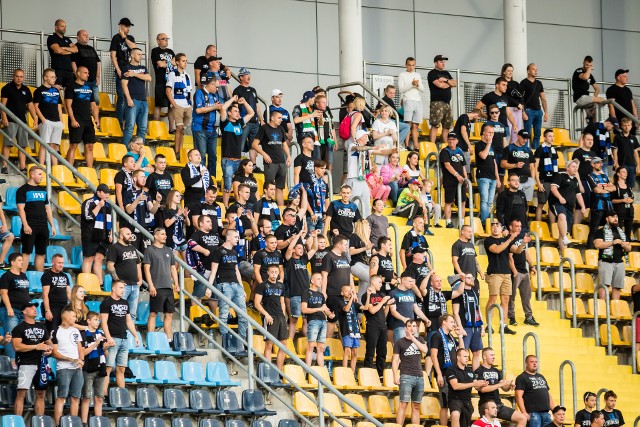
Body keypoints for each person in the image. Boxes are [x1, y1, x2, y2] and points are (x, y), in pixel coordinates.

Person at [12, 301, 52, 416]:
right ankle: (18, 422)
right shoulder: (19, 328)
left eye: (35, 307)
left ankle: (40, 421)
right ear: (24, 311)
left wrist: (49, 349)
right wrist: (36, 346)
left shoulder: (42, 327)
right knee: (21, 394)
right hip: (26, 363)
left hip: (41, 364)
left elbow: (50, 343)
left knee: (41, 394)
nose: (34, 309)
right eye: (30, 307)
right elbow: (17, 346)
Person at [100, 280, 139, 396]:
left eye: (123, 288)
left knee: (121, 368)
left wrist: (135, 335)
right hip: (113, 339)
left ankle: (122, 396)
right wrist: (108, 338)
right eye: (120, 288)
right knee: (108, 369)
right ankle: (103, 394)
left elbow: (128, 321)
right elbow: (104, 322)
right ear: (113, 288)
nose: (123, 290)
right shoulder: (106, 303)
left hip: (124, 339)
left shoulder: (125, 303)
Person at [209, 230, 248, 342]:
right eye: (235, 237)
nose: (237, 239)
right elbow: (214, 271)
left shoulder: (234, 252)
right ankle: (225, 341)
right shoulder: (219, 251)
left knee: (243, 316)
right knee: (224, 314)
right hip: (224, 285)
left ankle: (241, 342)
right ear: (228, 238)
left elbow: (237, 271)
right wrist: (209, 287)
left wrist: (242, 288)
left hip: (236, 285)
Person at [484, 220, 520, 335]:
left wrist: (523, 243)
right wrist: (509, 239)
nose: (495, 228)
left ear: (501, 228)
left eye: (497, 226)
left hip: (506, 273)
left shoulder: (505, 240)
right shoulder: (488, 240)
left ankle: (503, 325)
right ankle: (489, 325)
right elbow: (497, 250)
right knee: (493, 298)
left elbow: (517, 251)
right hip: (494, 273)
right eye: (493, 226)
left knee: (505, 300)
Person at [476, 347, 526, 427]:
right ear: (484, 357)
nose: (494, 357)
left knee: (522, 418)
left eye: (494, 355)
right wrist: (499, 384)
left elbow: (504, 388)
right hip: (486, 405)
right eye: (491, 355)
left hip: (498, 404)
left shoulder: (496, 371)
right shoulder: (479, 371)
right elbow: (483, 389)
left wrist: (509, 386)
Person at [17, 167, 55, 272]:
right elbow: (21, 209)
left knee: (41, 253)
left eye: (42, 174)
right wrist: (25, 225)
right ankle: (22, 277)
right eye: (39, 174)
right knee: (26, 252)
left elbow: (48, 209)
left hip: (43, 226)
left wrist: (52, 225)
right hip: (30, 225)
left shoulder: (43, 191)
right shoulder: (22, 190)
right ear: (32, 175)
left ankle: (40, 278)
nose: (42, 177)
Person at [144, 228, 180, 337]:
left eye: (165, 234)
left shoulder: (168, 250)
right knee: (153, 313)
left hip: (168, 287)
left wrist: (176, 284)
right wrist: (150, 285)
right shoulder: (149, 250)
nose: (165, 236)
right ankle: (150, 338)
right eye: (162, 234)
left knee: (169, 314)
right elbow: (146, 269)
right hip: (157, 287)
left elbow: (173, 268)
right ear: (155, 236)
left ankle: (168, 339)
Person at [51, 306, 84, 425]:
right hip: (64, 368)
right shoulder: (56, 331)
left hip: (77, 368)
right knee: (62, 397)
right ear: (66, 317)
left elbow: (80, 348)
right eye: (74, 316)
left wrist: (81, 360)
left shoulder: (75, 331)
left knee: (76, 398)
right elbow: (54, 353)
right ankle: (58, 424)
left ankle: (73, 423)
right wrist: (70, 359)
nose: (75, 318)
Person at [1, 68, 38, 173]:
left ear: (23, 78)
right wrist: (4, 118)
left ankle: (23, 167)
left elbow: (30, 106)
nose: (19, 79)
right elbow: (2, 106)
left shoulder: (26, 90)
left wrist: (35, 118)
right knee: (8, 144)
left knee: (22, 146)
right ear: (13, 76)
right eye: (17, 76)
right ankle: (4, 166)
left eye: (21, 77)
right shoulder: (7, 88)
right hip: (10, 120)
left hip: (22, 121)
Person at [392, 319, 428, 426]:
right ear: (405, 328)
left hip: (419, 376)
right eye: (409, 326)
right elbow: (395, 360)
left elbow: (425, 350)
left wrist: (413, 338)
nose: (412, 328)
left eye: (414, 326)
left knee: (416, 406)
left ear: (416, 328)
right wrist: (395, 375)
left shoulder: (420, 339)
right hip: (406, 376)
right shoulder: (400, 342)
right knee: (403, 404)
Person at [252, 110, 292, 206]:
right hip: (270, 162)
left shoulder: (281, 129)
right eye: (279, 118)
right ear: (272, 118)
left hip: (281, 161)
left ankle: (281, 210)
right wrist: (264, 154)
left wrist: (288, 156)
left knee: (280, 188)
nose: (281, 120)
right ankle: (266, 207)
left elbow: (284, 144)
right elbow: (254, 144)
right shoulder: (264, 128)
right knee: (269, 187)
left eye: (281, 118)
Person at [222, 97, 255, 207]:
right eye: (235, 111)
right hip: (228, 160)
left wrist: (245, 102)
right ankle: (226, 206)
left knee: (240, 183)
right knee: (227, 184)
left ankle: (240, 203)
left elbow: (251, 113)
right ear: (229, 113)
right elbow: (223, 108)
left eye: (238, 111)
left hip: (238, 160)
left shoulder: (240, 123)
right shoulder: (225, 123)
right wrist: (232, 100)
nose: (238, 113)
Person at [430, 314, 462, 426]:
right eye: (452, 321)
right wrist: (438, 374)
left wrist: (460, 336)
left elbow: (461, 351)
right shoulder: (436, 335)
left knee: (454, 403)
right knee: (445, 404)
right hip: (443, 373)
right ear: (444, 322)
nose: (454, 324)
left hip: (454, 374)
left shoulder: (452, 337)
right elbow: (433, 355)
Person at [320, 234, 354, 339]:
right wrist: (323, 292)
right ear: (339, 245)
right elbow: (324, 275)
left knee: (344, 322)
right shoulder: (328, 256)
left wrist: (353, 291)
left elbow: (349, 275)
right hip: (333, 293)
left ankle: (343, 346)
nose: (346, 247)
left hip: (346, 295)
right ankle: (328, 346)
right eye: (345, 244)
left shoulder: (344, 257)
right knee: (332, 320)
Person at [105, 227, 142, 321]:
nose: (130, 236)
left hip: (135, 285)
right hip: (123, 286)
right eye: (128, 234)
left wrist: (140, 280)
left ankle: (129, 335)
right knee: (119, 313)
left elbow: (138, 265)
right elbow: (110, 266)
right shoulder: (114, 247)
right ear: (121, 236)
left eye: (131, 234)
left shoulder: (132, 248)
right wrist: (118, 281)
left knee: (132, 314)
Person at [65, 66, 99, 168]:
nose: (87, 75)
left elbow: (93, 105)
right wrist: (72, 119)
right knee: (74, 145)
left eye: (88, 73)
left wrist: (96, 118)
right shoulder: (71, 87)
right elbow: (68, 105)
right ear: (78, 73)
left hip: (88, 120)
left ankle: (90, 171)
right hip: (77, 119)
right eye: (85, 73)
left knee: (90, 146)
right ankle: (69, 170)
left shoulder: (89, 88)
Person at [549, 160, 587, 251]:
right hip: (557, 203)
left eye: (576, 167)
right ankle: (565, 238)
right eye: (573, 166)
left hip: (570, 207)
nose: (575, 168)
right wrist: (560, 197)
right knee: (561, 216)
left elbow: (578, 195)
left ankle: (563, 252)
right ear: (567, 168)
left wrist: (583, 206)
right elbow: (553, 188)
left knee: (563, 231)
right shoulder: (560, 175)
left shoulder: (575, 180)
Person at [0, 253, 31, 365]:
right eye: (19, 260)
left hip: (23, 311)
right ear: (12, 262)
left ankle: (22, 361)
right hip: (11, 310)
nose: (22, 262)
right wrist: (9, 308)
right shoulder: (6, 276)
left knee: (22, 336)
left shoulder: (23, 275)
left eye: (22, 260)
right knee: (11, 336)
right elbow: (3, 293)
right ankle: (12, 362)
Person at [507, 219, 539, 327]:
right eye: (517, 226)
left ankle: (528, 317)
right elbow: (510, 256)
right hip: (514, 272)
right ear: (511, 227)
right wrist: (514, 271)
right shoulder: (508, 239)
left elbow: (525, 252)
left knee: (526, 296)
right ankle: (511, 317)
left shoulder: (521, 237)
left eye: (520, 226)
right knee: (511, 296)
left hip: (524, 271)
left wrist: (532, 266)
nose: (519, 228)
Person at [594, 211, 631, 301]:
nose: (615, 219)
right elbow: (598, 245)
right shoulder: (600, 231)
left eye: (616, 216)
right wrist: (612, 242)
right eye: (612, 216)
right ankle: (603, 310)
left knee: (617, 287)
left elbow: (629, 248)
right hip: (606, 261)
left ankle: (615, 311)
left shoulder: (621, 232)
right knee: (604, 286)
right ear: (607, 219)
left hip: (619, 262)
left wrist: (622, 243)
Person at [80, 184, 113, 285]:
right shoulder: (88, 202)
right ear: (98, 192)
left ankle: (99, 284)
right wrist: (99, 206)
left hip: (103, 237)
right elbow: (88, 217)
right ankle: (86, 282)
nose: (107, 195)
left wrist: (110, 233)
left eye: (108, 193)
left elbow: (109, 220)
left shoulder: (108, 205)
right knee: (89, 258)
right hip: (90, 235)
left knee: (99, 259)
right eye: (105, 193)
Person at [447, 348, 488, 427]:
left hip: (467, 401)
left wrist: (481, 384)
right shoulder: (451, 369)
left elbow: (476, 386)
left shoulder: (470, 371)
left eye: (468, 356)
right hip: (455, 399)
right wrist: (473, 383)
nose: (467, 359)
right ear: (458, 357)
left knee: (464, 424)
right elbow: (455, 386)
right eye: (465, 356)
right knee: (455, 415)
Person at [79, 311, 108, 425]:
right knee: (86, 397)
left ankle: (98, 421)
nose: (98, 322)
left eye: (98, 320)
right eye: (95, 320)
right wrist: (96, 343)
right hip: (88, 368)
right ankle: (84, 422)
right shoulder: (83, 335)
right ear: (88, 321)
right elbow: (83, 352)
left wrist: (105, 348)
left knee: (99, 397)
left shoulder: (101, 333)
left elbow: (106, 355)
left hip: (100, 367)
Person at [452, 274, 485, 370]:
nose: (472, 279)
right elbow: (455, 312)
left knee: (477, 352)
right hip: (465, 326)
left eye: (472, 277)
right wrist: (461, 328)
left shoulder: (474, 292)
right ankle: (463, 373)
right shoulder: (458, 293)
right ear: (463, 279)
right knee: (463, 352)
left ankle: (476, 374)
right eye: (469, 277)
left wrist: (482, 326)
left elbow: (478, 310)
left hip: (476, 326)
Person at [361, 275, 392, 376]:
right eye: (379, 282)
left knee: (382, 352)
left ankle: (380, 374)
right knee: (370, 350)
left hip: (382, 325)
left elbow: (384, 314)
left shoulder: (381, 294)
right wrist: (383, 302)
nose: (381, 284)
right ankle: (368, 373)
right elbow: (372, 310)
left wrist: (387, 305)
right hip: (372, 326)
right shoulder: (366, 295)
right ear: (373, 282)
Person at [192, 77, 222, 179]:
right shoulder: (199, 93)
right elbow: (198, 110)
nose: (217, 89)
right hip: (200, 128)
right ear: (210, 85)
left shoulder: (215, 95)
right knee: (202, 156)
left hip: (212, 129)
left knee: (213, 156)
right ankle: (201, 178)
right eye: (216, 87)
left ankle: (211, 178)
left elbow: (220, 108)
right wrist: (214, 107)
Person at [233, 67, 263, 167]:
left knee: (253, 145)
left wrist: (262, 120)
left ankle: (253, 166)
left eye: (249, 74)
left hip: (255, 122)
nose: (248, 76)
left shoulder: (253, 90)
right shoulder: (237, 90)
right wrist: (240, 121)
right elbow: (235, 106)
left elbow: (257, 106)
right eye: (246, 75)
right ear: (241, 77)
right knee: (240, 144)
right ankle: (237, 165)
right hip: (245, 122)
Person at [124, 170, 160, 252]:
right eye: (141, 177)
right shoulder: (128, 193)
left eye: (144, 177)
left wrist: (157, 202)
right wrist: (137, 199)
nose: (144, 179)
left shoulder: (146, 194)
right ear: (134, 179)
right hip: (133, 229)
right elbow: (129, 210)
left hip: (145, 229)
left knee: (146, 255)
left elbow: (152, 211)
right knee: (134, 256)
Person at [33, 68, 64, 166]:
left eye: (54, 77)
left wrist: (61, 121)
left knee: (54, 146)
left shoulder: (56, 90)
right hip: (46, 121)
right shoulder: (39, 90)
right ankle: (41, 167)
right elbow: (35, 106)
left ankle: (55, 169)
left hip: (56, 122)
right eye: (51, 77)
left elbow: (59, 106)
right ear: (45, 78)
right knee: (44, 145)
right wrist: (43, 120)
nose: (54, 79)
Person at [109, 17, 136, 128]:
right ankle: (119, 121)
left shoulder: (129, 38)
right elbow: (113, 56)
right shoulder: (115, 38)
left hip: (130, 70)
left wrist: (124, 38)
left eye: (128, 26)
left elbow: (135, 48)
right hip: (121, 69)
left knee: (130, 95)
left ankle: (128, 119)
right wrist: (118, 70)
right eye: (126, 26)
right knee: (121, 96)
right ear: (120, 26)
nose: (128, 28)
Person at [302, 272, 333, 366]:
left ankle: (321, 371)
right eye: (319, 279)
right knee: (311, 346)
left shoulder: (321, 295)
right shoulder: (306, 292)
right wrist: (319, 309)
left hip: (323, 321)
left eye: (321, 279)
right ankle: (308, 369)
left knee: (320, 348)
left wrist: (329, 314)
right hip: (313, 321)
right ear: (312, 280)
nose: (321, 281)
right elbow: (304, 309)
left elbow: (325, 308)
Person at [121, 47, 150, 146]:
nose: (140, 56)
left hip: (143, 100)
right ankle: (128, 150)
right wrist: (128, 99)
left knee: (142, 128)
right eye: (138, 54)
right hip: (133, 99)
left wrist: (134, 74)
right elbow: (124, 84)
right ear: (132, 55)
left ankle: (139, 149)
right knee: (129, 127)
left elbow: (149, 78)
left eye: (141, 54)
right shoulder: (126, 67)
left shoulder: (143, 68)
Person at [515, 355, 554, 427]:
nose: (534, 363)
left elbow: (547, 394)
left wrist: (554, 410)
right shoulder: (522, 377)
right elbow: (518, 396)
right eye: (532, 362)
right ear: (526, 363)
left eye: (536, 362)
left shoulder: (541, 376)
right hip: (533, 414)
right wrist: (524, 412)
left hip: (546, 413)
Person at [166, 53, 193, 157]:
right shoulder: (172, 74)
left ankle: (180, 150)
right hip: (178, 104)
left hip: (187, 105)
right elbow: (168, 90)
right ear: (177, 62)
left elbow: (189, 91)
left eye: (186, 61)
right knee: (179, 127)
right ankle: (177, 151)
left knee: (183, 129)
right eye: (183, 61)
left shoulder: (187, 75)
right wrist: (174, 104)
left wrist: (190, 104)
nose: (185, 63)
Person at [389, 274, 431, 341]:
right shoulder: (393, 293)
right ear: (402, 280)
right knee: (401, 349)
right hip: (400, 326)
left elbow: (416, 308)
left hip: (412, 327)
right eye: (409, 281)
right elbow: (393, 311)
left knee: (414, 349)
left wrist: (426, 319)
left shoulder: (411, 293)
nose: (412, 284)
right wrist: (403, 319)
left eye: (412, 282)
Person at [440, 132, 468, 228]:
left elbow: (463, 166)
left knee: (462, 202)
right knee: (449, 201)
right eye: (449, 139)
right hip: (450, 181)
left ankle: (462, 223)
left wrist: (465, 178)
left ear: (457, 141)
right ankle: (448, 221)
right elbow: (447, 165)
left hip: (461, 181)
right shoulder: (445, 151)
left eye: (453, 139)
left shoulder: (459, 150)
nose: (451, 141)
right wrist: (457, 175)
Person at [587, 157, 616, 248]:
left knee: (606, 228)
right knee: (594, 228)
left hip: (608, 205)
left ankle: (602, 248)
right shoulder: (590, 176)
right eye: (598, 163)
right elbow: (596, 190)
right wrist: (607, 189)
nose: (601, 164)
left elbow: (614, 188)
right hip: (597, 204)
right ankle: (590, 248)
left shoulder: (604, 176)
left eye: (601, 162)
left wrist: (603, 188)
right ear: (593, 164)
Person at [428, 55, 457, 144]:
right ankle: (432, 145)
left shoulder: (446, 73)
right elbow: (440, 85)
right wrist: (449, 84)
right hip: (437, 102)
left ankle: (445, 144)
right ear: (435, 63)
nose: (443, 63)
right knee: (435, 125)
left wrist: (446, 80)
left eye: (444, 62)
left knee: (447, 125)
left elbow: (455, 83)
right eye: (441, 61)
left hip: (447, 103)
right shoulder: (432, 73)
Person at [476, 124, 501, 223]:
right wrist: (489, 144)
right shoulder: (479, 145)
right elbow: (483, 156)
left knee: (490, 202)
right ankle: (484, 221)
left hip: (492, 177)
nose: (491, 135)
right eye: (489, 132)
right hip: (483, 176)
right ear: (484, 133)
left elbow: (494, 163)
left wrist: (498, 178)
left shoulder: (492, 147)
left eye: (493, 133)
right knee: (484, 200)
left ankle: (486, 221)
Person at [571, 133, 598, 225]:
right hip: (582, 181)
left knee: (593, 206)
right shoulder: (578, 152)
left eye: (592, 140)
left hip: (592, 182)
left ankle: (591, 228)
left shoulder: (593, 153)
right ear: (583, 140)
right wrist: (580, 184)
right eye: (588, 139)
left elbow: (596, 169)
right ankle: (575, 228)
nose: (590, 141)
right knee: (580, 206)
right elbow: (575, 169)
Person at [501, 130, 536, 202]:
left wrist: (532, 179)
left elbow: (532, 166)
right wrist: (515, 165)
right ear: (518, 136)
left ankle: (524, 214)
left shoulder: (528, 150)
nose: (525, 140)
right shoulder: (509, 148)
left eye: (526, 139)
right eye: (523, 138)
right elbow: (502, 164)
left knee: (526, 202)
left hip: (528, 179)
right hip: (515, 179)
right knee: (515, 201)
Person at [572, 56, 608, 124]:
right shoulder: (579, 71)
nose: (588, 67)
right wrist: (589, 69)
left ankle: (591, 118)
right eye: (586, 65)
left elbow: (597, 89)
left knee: (597, 106)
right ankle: (594, 118)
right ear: (583, 63)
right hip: (580, 97)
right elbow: (585, 77)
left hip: (586, 98)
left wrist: (595, 97)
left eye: (590, 65)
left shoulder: (590, 76)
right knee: (603, 100)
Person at [398, 57, 425, 150]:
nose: (411, 67)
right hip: (408, 99)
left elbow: (422, 89)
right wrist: (411, 84)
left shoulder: (417, 74)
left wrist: (417, 85)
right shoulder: (402, 74)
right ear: (406, 65)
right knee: (408, 124)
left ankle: (416, 145)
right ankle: (407, 145)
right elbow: (401, 89)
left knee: (416, 125)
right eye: (409, 65)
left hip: (418, 100)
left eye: (413, 65)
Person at [42, 253, 71, 333]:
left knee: (64, 331)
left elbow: (68, 292)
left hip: (64, 307)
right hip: (53, 307)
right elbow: (45, 294)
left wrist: (74, 305)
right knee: (53, 331)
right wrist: (47, 310)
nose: (61, 265)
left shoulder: (65, 275)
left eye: (62, 263)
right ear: (53, 262)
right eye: (59, 263)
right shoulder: (47, 275)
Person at [150, 33, 175, 128]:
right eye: (163, 38)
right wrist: (170, 63)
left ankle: (171, 128)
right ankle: (155, 126)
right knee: (158, 105)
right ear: (158, 41)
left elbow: (175, 63)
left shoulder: (171, 51)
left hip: (171, 82)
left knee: (171, 105)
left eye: (167, 38)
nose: (166, 40)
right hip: (161, 81)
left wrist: (166, 63)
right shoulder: (155, 51)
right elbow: (160, 65)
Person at [521, 63, 548, 149]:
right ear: (528, 71)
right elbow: (520, 98)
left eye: (536, 69)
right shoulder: (523, 82)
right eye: (533, 69)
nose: (536, 71)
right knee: (526, 133)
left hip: (538, 111)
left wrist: (546, 112)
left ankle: (535, 152)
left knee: (538, 133)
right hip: (528, 110)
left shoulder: (539, 83)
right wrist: (523, 112)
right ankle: (525, 151)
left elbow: (543, 98)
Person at [534, 129, 559, 222]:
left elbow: (555, 167)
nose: (552, 138)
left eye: (553, 136)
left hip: (553, 181)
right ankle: (538, 225)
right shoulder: (540, 149)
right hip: (544, 180)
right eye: (549, 136)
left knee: (552, 205)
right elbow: (535, 167)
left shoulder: (554, 150)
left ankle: (552, 227)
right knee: (541, 204)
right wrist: (539, 183)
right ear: (544, 138)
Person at [452, 225, 484, 290]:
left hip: (473, 277)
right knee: (462, 298)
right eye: (469, 232)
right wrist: (460, 273)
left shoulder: (471, 245)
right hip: (462, 278)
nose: (471, 234)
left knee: (475, 298)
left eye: (471, 232)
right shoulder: (457, 244)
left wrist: (480, 271)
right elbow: (454, 260)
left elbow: (475, 260)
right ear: (462, 232)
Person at [47, 19, 77, 89]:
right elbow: (58, 51)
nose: (64, 28)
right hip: (58, 69)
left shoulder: (67, 39)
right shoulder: (52, 38)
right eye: (62, 26)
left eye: (65, 26)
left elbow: (76, 49)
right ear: (56, 27)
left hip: (69, 70)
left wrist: (63, 48)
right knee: (57, 91)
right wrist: (70, 51)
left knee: (70, 93)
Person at [612, 117, 640, 189]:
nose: (627, 127)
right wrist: (616, 164)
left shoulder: (633, 138)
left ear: (631, 126)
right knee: (621, 184)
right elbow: (615, 151)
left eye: (628, 125)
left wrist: (638, 165)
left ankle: (630, 199)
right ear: (621, 126)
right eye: (625, 125)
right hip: (622, 165)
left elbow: (635, 152)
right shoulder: (617, 137)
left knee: (631, 185)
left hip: (632, 165)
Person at [453, 108, 483, 174]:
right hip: (459, 147)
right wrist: (469, 145)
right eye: (478, 119)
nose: (476, 121)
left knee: (466, 171)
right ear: (476, 115)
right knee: (458, 170)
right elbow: (463, 131)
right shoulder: (464, 117)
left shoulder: (468, 122)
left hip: (464, 148)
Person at [501, 63, 526, 144]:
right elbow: (505, 96)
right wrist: (516, 103)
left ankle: (514, 147)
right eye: (508, 71)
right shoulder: (502, 83)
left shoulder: (515, 83)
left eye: (512, 71)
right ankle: (506, 147)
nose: (510, 72)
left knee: (517, 129)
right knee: (508, 128)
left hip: (517, 109)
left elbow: (521, 95)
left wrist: (520, 105)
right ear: (504, 72)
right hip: (507, 108)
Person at [163, 190, 189, 256]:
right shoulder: (167, 210)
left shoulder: (179, 210)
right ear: (171, 197)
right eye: (177, 196)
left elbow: (188, 224)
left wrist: (186, 217)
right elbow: (167, 224)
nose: (179, 197)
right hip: (172, 240)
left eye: (180, 196)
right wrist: (177, 215)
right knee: (175, 264)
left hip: (182, 239)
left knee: (187, 263)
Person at [611, 167, 635, 240]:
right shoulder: (615, 186)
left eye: (626, 172)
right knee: (619, 233)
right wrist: (623, 200)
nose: (626, 174)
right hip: (619, 212)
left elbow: (632, 198)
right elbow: (612, 200)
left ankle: (627, 249)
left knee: (628, 234)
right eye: (623, 172)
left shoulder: (628, 186)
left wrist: (631, 200)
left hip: (629, 212)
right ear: (618, 174)